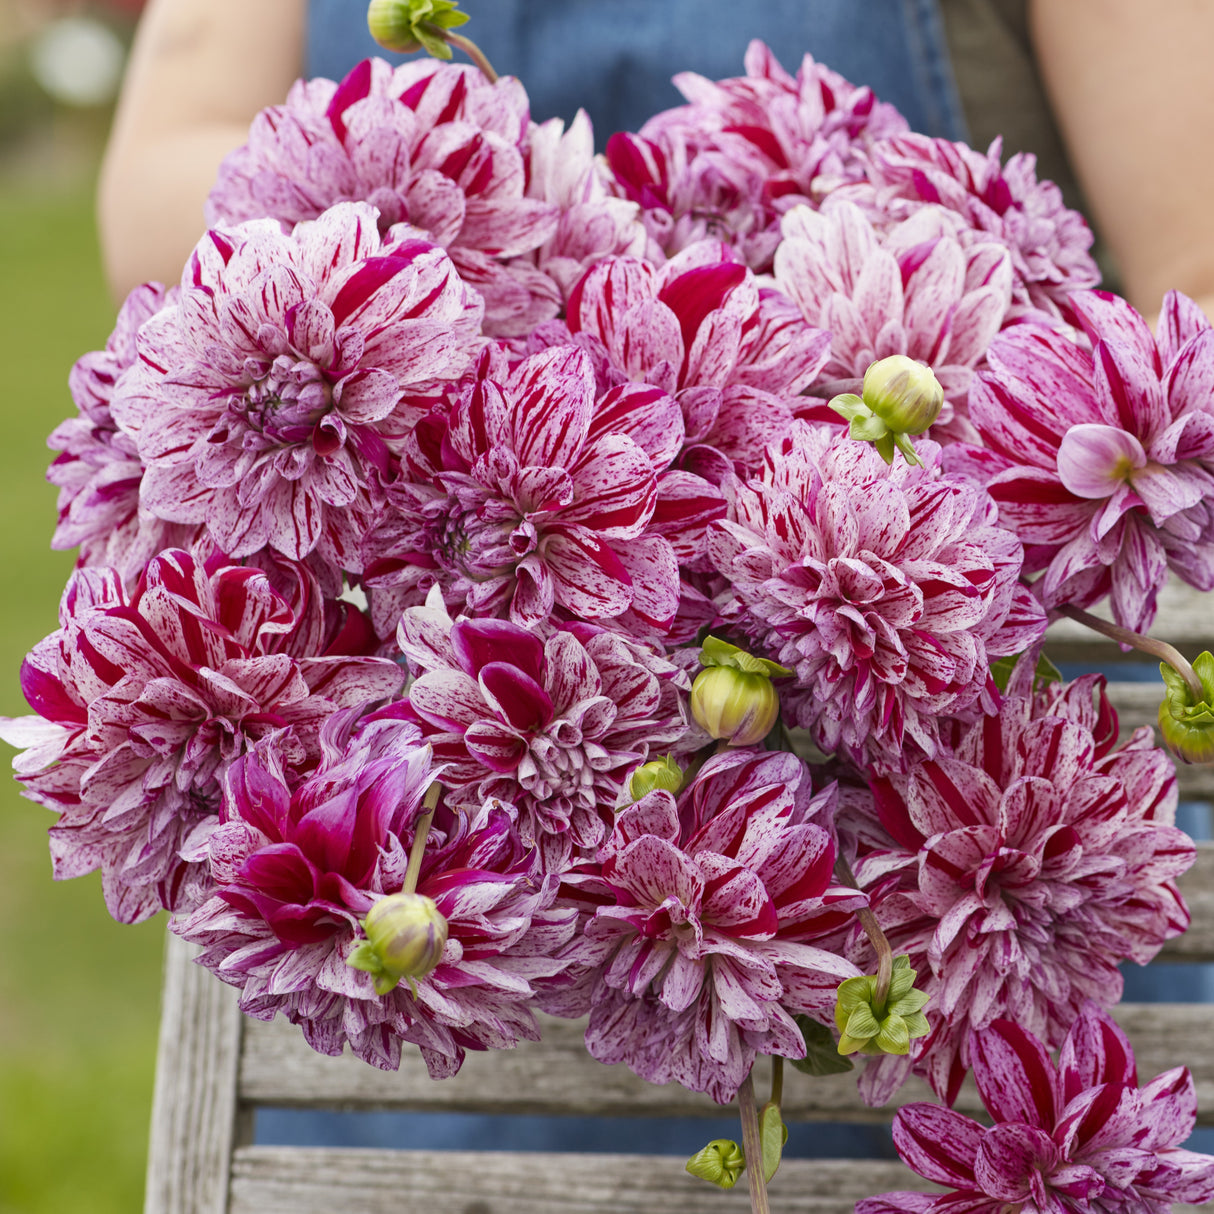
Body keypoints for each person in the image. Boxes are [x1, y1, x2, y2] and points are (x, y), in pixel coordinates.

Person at [99, 0, 1214, 331]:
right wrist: (506, 223)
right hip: (436, 717)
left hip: (943, 704)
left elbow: (1196, 272)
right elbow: (153, 206)